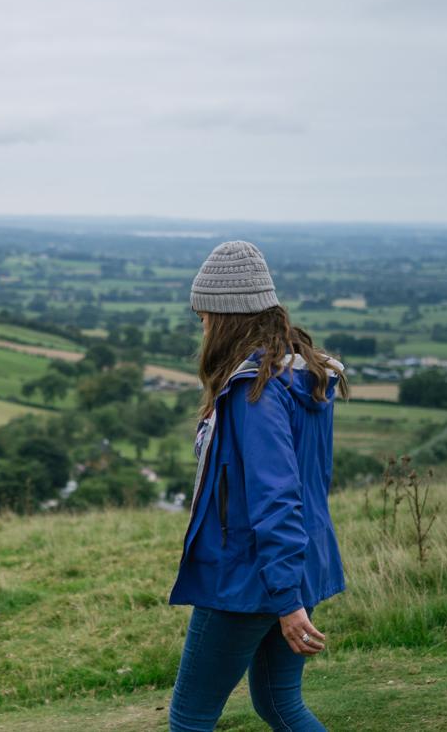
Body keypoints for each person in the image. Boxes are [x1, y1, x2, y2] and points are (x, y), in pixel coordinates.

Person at [168, 241, 348, 731]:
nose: (202, 328)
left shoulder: (257, 393)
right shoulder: (301, 379)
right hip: (294, 564)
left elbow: (276, 497)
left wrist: (285, 600)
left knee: (190, 719)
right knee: (279, 704)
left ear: (225, 319)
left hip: (249, 577)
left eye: (204, 318)